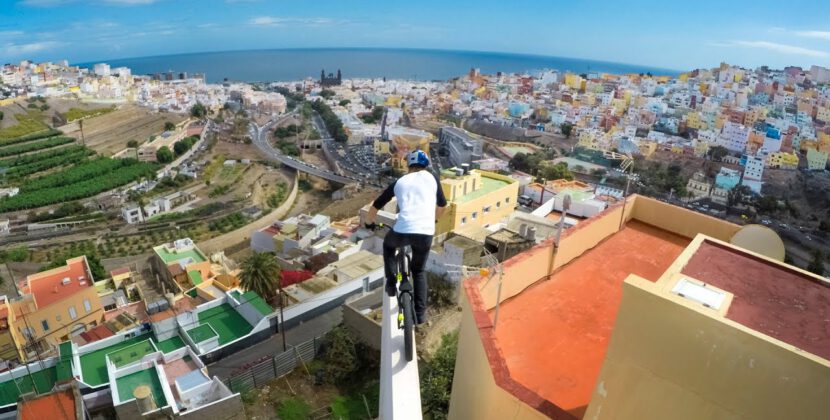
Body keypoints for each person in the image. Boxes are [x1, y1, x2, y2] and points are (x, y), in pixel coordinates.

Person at [365, 149, 447, 325]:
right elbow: (442, 205)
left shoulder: (400, 181)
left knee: (388, 246)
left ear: (409, 166)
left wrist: (369, 223)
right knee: (418, 271)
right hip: (425, 232)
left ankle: (391, 280)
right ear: (426, 166)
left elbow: (377, 205)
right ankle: (420, 314)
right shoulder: (432, 178)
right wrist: (434, 220)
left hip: (402, 231)